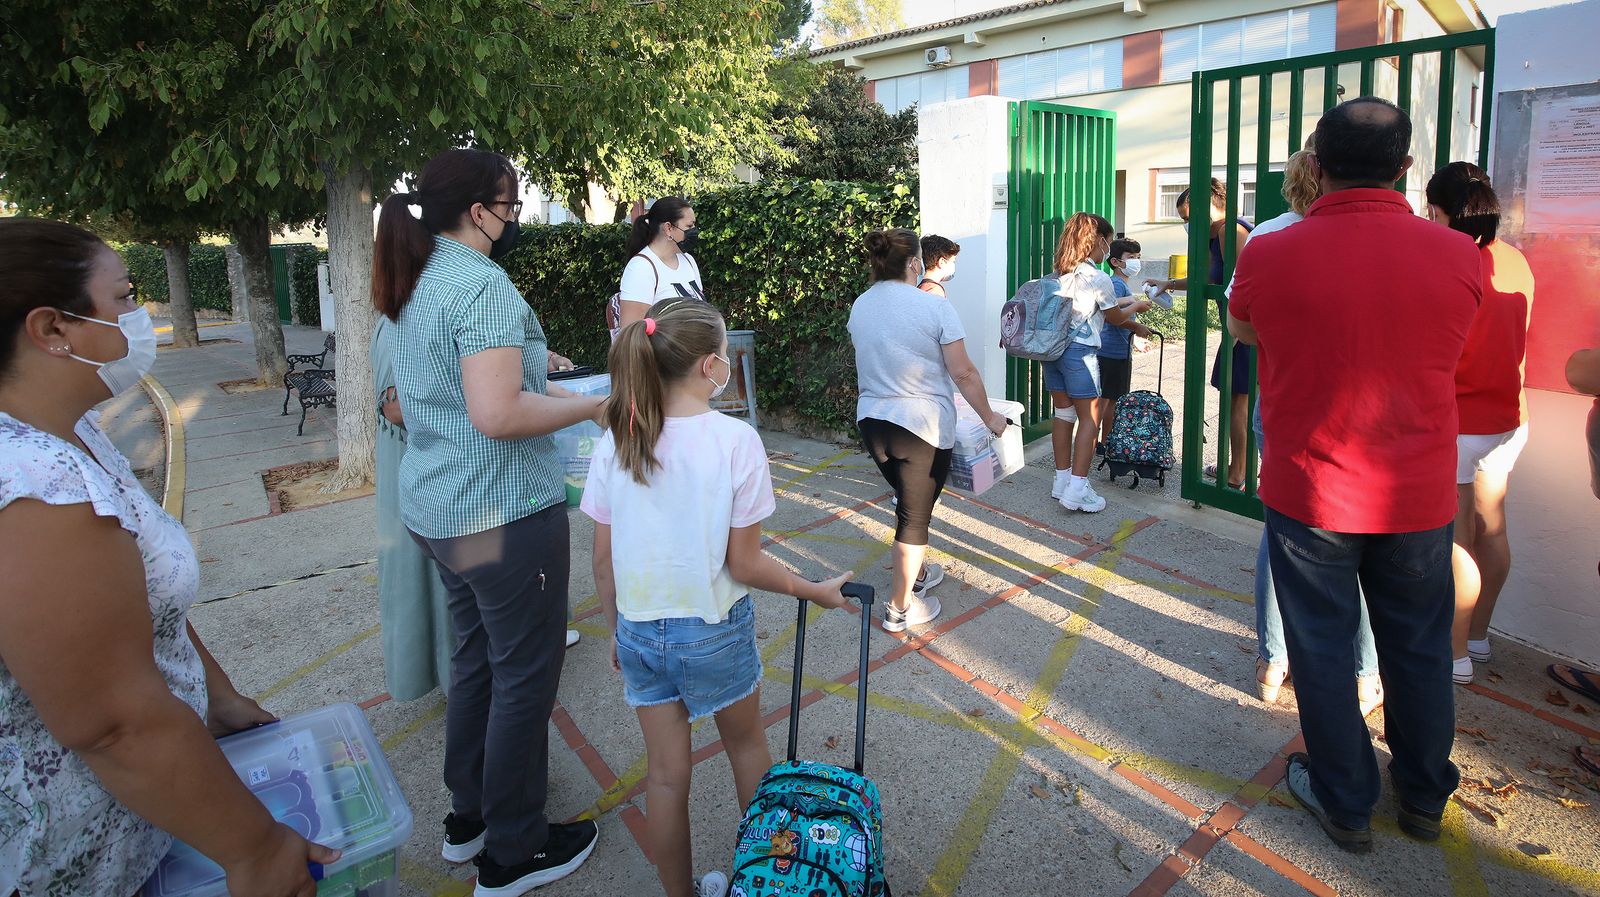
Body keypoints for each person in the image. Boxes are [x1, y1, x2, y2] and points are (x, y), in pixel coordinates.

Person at [0, 218, 338, 896]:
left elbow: (142, 600)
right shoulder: (38, 486)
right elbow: (114, 720)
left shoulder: (79, 436)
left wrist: (216, 695)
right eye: (124, 296)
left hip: (145, 829)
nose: (138, 315)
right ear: (52, 328)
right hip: (79, 867)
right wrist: (259, 850)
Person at [1228, 97, 1481, 853]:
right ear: (1406, 167)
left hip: (1312, 496)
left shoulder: (1268, 253)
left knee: (1322, 650)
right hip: (1418, 493)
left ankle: (1344, 801)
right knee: (1419, 646)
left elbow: (1245, 328)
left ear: (1318, 162)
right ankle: (1425, 795)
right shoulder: (1460, 255)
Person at [373, 148, 603, 894]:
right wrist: (594, 404)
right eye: (510, 204)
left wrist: (539, 367)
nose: (515, 216)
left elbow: (439, 389)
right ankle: (512, 849)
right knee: (525, 676)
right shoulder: (482, 285)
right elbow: (498, 412)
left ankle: (467, 816)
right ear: (479, 211)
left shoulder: (416, 277)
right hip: (501, 513)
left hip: (439, 507)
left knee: (476, 660)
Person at [583, 299, 851, 897]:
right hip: (713, 630)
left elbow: (602, 560)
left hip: (639, 629)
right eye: (726, 355)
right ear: (710, 367)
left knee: (666, 777)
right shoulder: (735, 440)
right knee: (748, 748)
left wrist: (618, 632)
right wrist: (814, 589)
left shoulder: (618, 441)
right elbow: (744, 562)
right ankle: (770, 882)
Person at [1231, 147, 1382, 714]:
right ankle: (1365, 673)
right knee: (1368, 539)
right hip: (1367, 407)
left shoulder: (1268, 237)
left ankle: (1274, 660)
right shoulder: (1381, 234)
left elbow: (1242, 327)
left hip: (1289, 400)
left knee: (1283, 532)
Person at [847, 228, 1007, 631]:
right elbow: (964, 373)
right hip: (920, 427)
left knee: (906, 502)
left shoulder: (861, 305)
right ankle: (901, 609)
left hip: (873, 423)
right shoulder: (933, 308)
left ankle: (915, 574)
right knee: (914, 518)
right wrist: (990, 418)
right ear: (916, 264)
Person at [1424, 162, 1535, 686]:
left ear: (1446, 212)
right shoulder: (1516, 260)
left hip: (1461, 420)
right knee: (1493, 526)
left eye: (1434, 211)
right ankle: (1479, 638)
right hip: (1508, 417)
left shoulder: (1450, 261)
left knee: (1457, 541)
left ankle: (1454, 655)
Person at [1044, 214, 1152, 513]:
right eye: (1107, 239)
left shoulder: (1056, 274)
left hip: (1053, 355)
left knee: (1064, 416)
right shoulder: (1097, 277)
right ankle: (1078, 488)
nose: (1108, 246)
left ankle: (1061, 481)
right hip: (1080, 354)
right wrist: (1136, 308)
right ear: (1099, 241)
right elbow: (1115, 318)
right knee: (1090, 420)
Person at [1161, 179, 1255, 489]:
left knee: (1238, 401)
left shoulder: (1232, 231)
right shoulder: (1216, 237)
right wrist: (1169, 284)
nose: (1188, 225)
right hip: (1237, 329)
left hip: (1245, 331)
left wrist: (1240, 329)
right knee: (1236, 400)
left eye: (1189, 217)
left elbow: (1246, 281)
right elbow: (1206, 278)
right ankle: (1239, 466)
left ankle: (1239, 472)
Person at [611, 197, 707, 335]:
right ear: (668, 228)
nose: (695, 232)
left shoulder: (688, 261)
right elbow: (631, 333)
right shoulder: (641, 268)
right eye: (689, 226)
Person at [1098, 238, 1154, 451]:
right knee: (1107, 400)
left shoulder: (1122, 285)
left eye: (1138, 257)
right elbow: (1112, 316)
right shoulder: (1116, 285)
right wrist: (1136, 327)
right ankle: (1101, 441)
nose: (1136, 262)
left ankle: (1104, 441)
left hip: (1120, 350)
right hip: (1111, 352)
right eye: (1131, 258)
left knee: (1112, 399)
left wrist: (1136, 336)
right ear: (1115, 262)